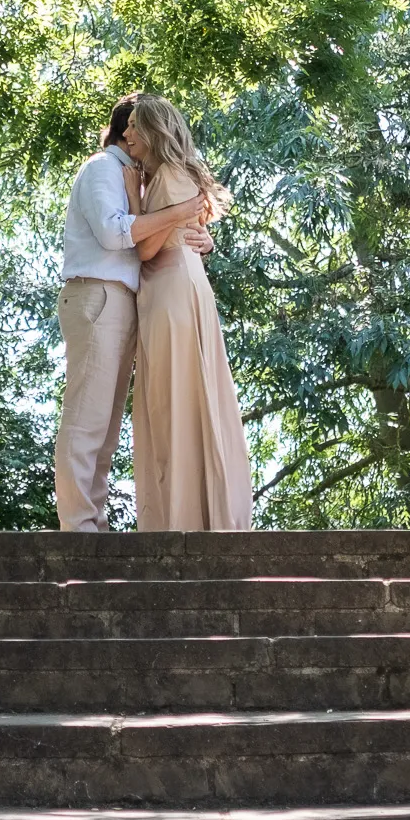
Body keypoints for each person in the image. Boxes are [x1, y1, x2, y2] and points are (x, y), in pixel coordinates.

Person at [54, 94, 211, 532]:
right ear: (130, 131)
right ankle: (79, 528)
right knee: (87, 419)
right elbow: (112, 233)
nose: (133, 140)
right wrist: (179, 212)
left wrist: (195, 235)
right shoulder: (103, 168)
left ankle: (93, 523)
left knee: (105, 427)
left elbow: (155, 239)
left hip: (122, 302)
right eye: (132, 131)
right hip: (97, 296)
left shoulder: (136, 181)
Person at [122, 95, 254, 531]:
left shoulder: (168, 178)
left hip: (172, 292)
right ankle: (197, 510)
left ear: (154, 132)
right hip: (185, 286)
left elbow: (145, 248)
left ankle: (180, 520)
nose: (126, 135)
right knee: (189, 396)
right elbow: (188, 233)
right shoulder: (176, 176)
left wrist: (131, 199)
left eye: (134, 128)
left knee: (173, 401)